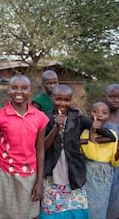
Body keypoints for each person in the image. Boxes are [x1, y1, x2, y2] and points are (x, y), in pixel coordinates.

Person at [40, 85, 116, 218]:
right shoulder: (45, 118)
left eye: (67, 100)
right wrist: (56, 128)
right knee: (52, 211)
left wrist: (85, 138)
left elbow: (111, 136)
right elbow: (42, 147)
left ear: (71, 100)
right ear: (52, 98)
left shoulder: (78, 118)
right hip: (52, 173)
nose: (63, 103)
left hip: (74, 173)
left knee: (76, 211)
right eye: (58, 99)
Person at [0, 75, 48, 219]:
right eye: (14, 87)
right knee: (0, 214)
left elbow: (40, 151)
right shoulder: (0, 116)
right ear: (8, 90)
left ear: (30, 91)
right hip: (3, 173)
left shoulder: (40, 117)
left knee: (25, 214)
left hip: (29, 176)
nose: (18, 92)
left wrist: (39, 182)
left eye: (24, 88)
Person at [80, 102, 118, 219]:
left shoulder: (113, 134)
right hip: (89, 173)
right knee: (88, 206)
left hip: (106, 175)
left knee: (100, 206)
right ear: (90, 114)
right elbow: (91, 154)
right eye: (95, 111)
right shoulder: (84, 133)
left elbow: (114, 162)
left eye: (104, 112)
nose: (99, 115)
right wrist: (92, 131)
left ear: (109, 116)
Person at [104, 83, 119, 219]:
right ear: (105, 97)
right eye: (112, 97)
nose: (116, 100)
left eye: (118, 97)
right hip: (102, 166)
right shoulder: (101, 116)